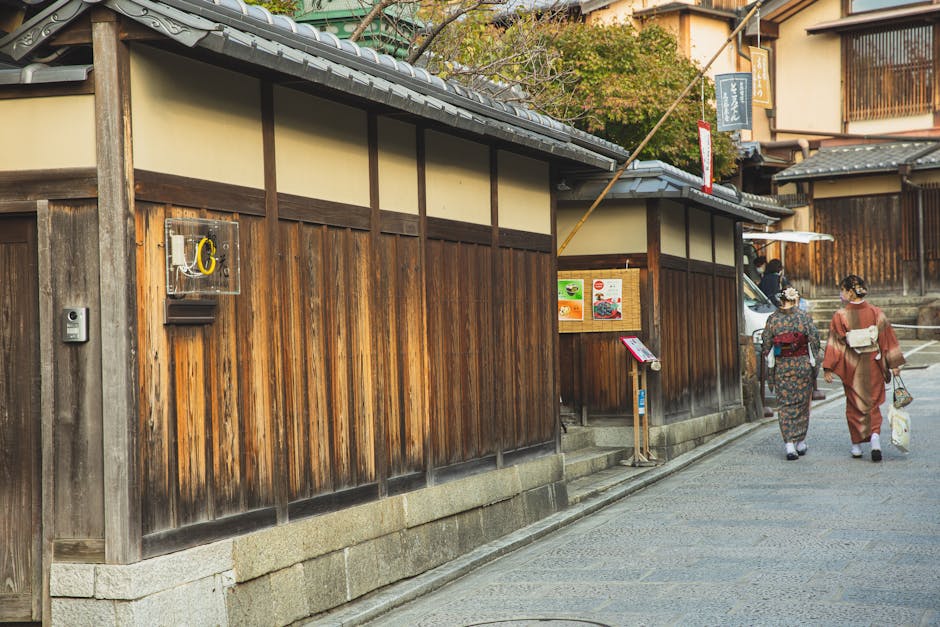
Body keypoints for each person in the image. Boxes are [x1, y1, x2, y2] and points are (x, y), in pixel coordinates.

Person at [822, 275, 905, 462]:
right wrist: (894, 365)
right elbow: (887, 338)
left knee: (854, 405)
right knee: (873, 404)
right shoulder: (876, 312)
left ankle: (857, 445)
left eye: (842, 290)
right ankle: (875, 439)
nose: (841, 294)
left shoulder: (840, 316)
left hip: (853, 365)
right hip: (873, 363)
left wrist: (828, 367)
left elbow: (835, 343)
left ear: (850, 292)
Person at [761, 286, 820, 460]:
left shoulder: (773, 319)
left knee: (785, 405)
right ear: (794, 300)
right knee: (802, 404)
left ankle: (789, 445)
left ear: (781, 300)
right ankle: (800, 441)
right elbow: (814, 341)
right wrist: (815, 361)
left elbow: (766, 344)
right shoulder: (804, 317)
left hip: (782, 366)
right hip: (801, 365)